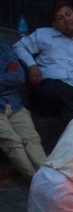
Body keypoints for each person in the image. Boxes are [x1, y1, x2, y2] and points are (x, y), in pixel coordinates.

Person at [13, 4, 73, 127]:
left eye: (68, 14)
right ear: (54, 25)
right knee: (50, 85)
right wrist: (32, 65)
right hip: (46, 95)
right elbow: (18, 46)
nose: (66, 19)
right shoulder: (44, 34)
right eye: (60, 18)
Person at [0, 44, 46, 181]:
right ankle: (37, 181)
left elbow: (18, 76)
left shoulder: (4, 49)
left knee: (32, 139)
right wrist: (6, 77)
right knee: (12, 143)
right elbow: (11, 76)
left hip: (13, 103)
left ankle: (49, 176)